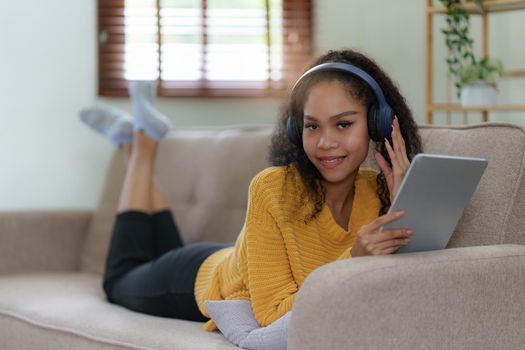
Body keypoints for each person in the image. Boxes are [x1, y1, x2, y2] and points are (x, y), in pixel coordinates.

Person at [81, 48, 422, 332]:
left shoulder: (381, 193)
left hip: (243, 261)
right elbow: (273, 315)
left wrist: (404, 202)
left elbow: (405, 290)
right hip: (201, 279)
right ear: (295, 130)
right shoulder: (272, 188)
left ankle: (133, 141)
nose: (326, 143)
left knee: (153, 253)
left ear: (376, 123)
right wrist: (353, 261)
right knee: (118, 281)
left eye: (344, 124)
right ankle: (141, 148)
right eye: (312, 126)